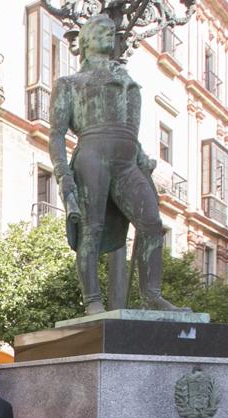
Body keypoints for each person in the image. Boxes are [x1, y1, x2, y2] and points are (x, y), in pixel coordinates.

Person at [49, 13, 183, 315]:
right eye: (101, 30)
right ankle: (93, 301)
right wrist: (62, 175)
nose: (110, 33)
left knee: (151, 223)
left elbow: (129, 126)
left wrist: (140, 155)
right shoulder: (70, 83)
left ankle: (152, 295)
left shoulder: (126, 80)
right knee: (91, 230)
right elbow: (56, 134)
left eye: (112, 30)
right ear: (84, 40)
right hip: (92, 157)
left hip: (126, 160)